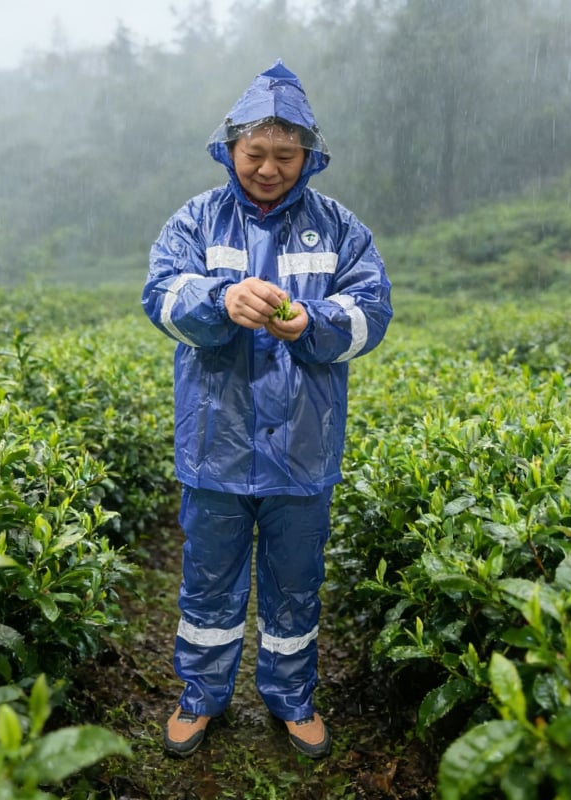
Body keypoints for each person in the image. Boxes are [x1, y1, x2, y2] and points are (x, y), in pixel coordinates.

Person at [141, 59, 393, 759]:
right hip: (214, 442)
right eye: (257, 154)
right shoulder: (196, 218)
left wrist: (310, 323)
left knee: (295, 585)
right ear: (231, 150)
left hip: (303, 446)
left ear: (308, 156)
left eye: (286, 156)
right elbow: (160, 299)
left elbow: (373, 311)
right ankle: (200, 697)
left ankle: (292, 698)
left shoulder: (340, 228)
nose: (269, 168)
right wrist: (219, 301)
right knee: (208, 584)